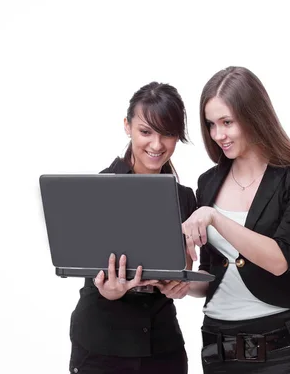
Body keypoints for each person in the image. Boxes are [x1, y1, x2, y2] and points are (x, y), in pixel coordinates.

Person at [183, 66, 290, 373]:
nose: (218, 135)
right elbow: (210, 272)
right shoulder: (208, 182)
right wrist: (183, 284)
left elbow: (279, 260)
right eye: (211, 125)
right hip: (217, 350)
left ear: (253, 115)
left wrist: (214, 217)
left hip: (282, 353)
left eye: (227, 122)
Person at [68, 82, 195, 374]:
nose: (156, 144)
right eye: (146, 131)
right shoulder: (96, 189)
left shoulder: (185, 198)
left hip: (163, 349)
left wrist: (178, 286)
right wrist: (108, 291)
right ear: (127, 127)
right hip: (101, 348)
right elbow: (87, 264)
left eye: (168, 133)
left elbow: (186, 266)